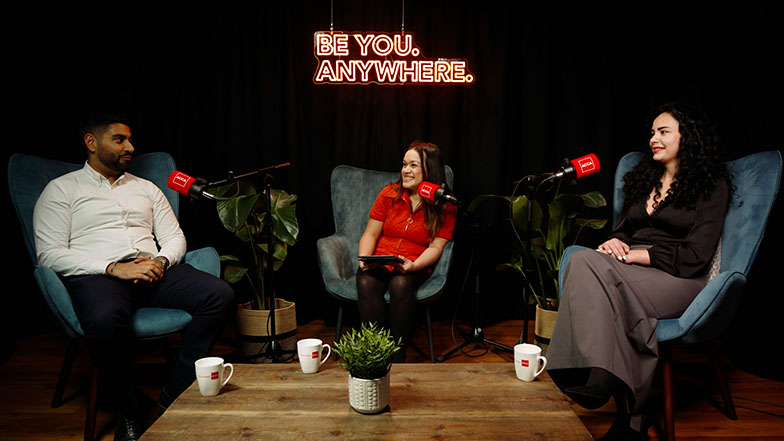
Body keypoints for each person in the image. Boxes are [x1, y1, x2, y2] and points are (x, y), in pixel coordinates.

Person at [33, 115, 235, 441]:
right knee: (103, 318)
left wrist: (160, 261)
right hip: (99, 276)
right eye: (119, 139)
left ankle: (177, 389)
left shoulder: (146, 188)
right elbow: (49, 254)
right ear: (91, 143)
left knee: (218, 295)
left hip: (153, 270)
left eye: (129, 139)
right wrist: (112, 267)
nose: (130, 147)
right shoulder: (61, 190)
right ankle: (129, 409)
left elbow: (174, 237)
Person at [546, 102, 732, 441]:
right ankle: (631, 419)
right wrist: (615, 242)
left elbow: (696, 256)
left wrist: (638, 255)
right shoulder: (644, 179)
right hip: (631, 271)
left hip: (680, 278)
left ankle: (596, 375)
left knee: (588, 266)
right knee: (584, 259)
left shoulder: (711, 186)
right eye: (652, 133)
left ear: (688, 137)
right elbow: (623, 231)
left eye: (663, 132)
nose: (653, 139)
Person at [356, 141, 457, 361]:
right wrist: (364, 259)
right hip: (382, 258)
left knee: (400, 284)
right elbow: (370, 234)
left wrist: (414, 265)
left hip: (414, 262)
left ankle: (397, 353)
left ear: (429, 170)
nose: (406, 171)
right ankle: (377, 349)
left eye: (413, 165)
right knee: (366, 280)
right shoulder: (389, 194)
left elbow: (436, 247)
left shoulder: (445, 206)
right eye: (404, 165)